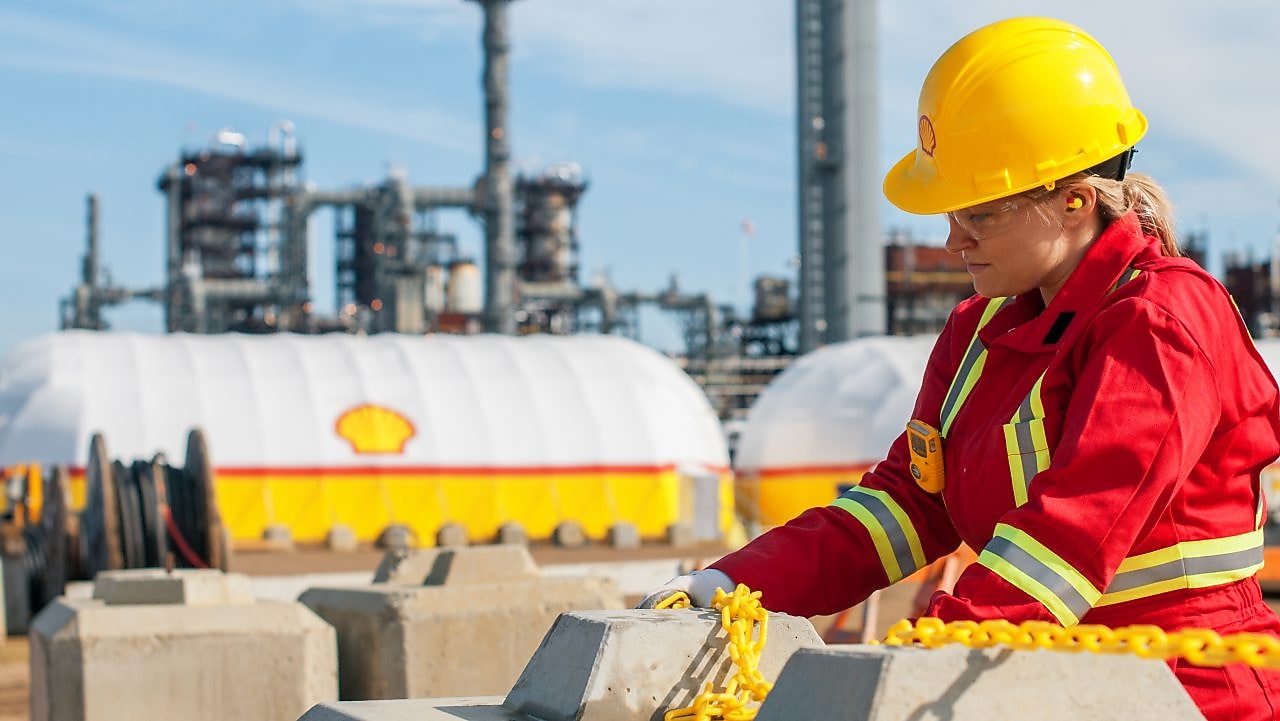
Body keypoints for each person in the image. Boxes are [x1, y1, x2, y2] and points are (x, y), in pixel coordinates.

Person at [639, 16, 1280, 720]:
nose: (951, 241)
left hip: (1191, 691)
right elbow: (906, 507)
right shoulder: (977, 331)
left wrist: (930, 649)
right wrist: (729, 585)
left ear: (1074, 200)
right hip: (1045, 680)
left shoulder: (1160, 321)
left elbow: (1072, 532)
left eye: (978, 214)